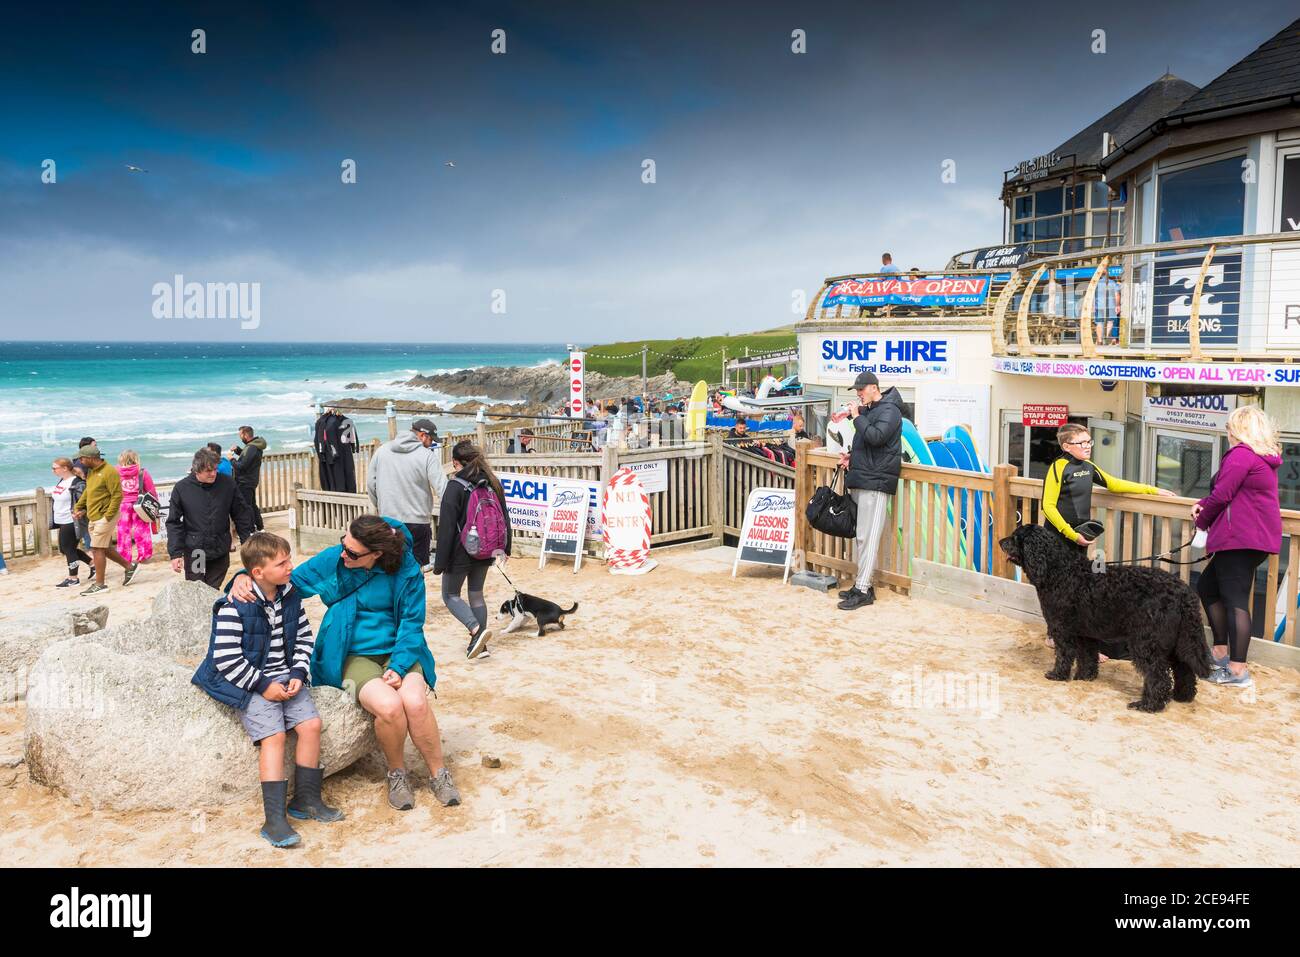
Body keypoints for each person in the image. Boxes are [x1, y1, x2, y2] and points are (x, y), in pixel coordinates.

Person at [228, 515, 460, 812]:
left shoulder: (407, 571)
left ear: (376, 554)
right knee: (389, 706)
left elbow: (412, 624)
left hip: (400, 650)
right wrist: (242, 577)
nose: (343, 554)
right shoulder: (336, 559)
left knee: (414, 702)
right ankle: (397, 773)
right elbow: (284, 581)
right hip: (351, 653)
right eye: (343, 544)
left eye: (352, 552)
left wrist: (400, 666)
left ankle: (439, 773)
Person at [192, 532, 340, 848]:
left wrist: (299, 671)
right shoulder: (234, 605)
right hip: (247, 682)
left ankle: (306, 800)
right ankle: (273, 820)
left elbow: (303, 637)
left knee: (311, 725)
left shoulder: (290, 596)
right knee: (273, 737)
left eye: (288, 560)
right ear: (257, 572)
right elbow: (226, 658)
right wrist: (263, 686)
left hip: (285, 676)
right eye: (282, 563)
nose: (290, 567)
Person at [1192, 406, 1283, 689]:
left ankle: (1237, 670)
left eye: (1229, 426)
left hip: (1240, 539)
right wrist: (1205, 505)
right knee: (1208, 587)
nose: (1227, 431)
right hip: (1249, 538)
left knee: (1235, 601)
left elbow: (1223, 494)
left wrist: (1202, 521)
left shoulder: (1241, 455)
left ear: (1238, 429)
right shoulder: (1260, 457)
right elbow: (1235, 495)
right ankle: (1220, 652)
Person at [434, 440, 512, 661]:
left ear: (455, 462)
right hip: (487, 548)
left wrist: (440, 562)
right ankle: (481, 646)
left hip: (460, 551)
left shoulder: (455, 486)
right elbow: (505, 519)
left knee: (450, 595)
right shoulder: (492, 483)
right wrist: (505, 548)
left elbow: (447, 527)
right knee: (476, 595)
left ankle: (476, 631)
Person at [1043, 423, 1173, 548]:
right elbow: (1048, 507)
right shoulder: (1058, 467)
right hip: (1059, 534)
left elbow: (1114, 484)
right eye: (1082, 443)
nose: (1088, 446)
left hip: (1082, 531)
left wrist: (1152, 490)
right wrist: (1071, 535)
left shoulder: (1088, 466)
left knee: (1079, 570)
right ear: (1066, 447)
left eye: (1089, 442)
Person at [837, 372, 903, 610]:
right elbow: (868, 444)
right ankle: (863, 585)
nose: (858, 394)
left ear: (874, 388)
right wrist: (851, 457)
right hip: (865, 477)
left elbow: (876, 437)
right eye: (857, 391)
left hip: (876, 482)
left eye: (860, 390)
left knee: (869, 537)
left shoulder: (890, 410)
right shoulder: (873, 410)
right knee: (863, 536)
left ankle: (863, 590)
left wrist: (856, 416)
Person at [167, 447, 255, 588]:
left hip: (220, 549)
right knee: (197, 588)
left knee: (213, 589)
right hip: (197, 553)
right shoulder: (182, 488)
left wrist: (247, 540)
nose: (213, 473)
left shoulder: (227, 484)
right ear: (196, 470)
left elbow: (240, 513)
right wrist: (175, 553)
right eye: (208, 471)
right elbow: (173, 522)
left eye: (215, 469)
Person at [367, 418, 447, 571]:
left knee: (389, 569)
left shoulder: (382, 451)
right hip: (418, 522)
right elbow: (443, 489)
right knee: (415, 572)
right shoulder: (427, 456)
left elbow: (371, 484)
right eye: (431, 440)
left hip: (388, 520)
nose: (431, 444)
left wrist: (380, 505)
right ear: (423, 435)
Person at [72, 441, 132, 596]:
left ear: (90, 458)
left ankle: (100, 584)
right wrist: (80, 507)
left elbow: (117, 495)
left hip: (106, 516)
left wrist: (108, 516)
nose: (80, 462)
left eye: (82, 459)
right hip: (94, 515)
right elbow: (89, 492)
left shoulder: (109, 472)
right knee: (103, 547)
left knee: (97, 548)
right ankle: (130, 567)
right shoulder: (91, 472)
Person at [50, 457, 91, 588]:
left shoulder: (77, 482)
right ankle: (92, 564)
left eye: (54, 468)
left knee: (68, 548)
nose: (53, 471)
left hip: (71, 520)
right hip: (61, 520)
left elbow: (84, 501)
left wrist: (81, 512)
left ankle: (73, 578)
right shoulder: (62, 481)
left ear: (65, 468)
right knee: (65, 548)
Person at [115, 449, 157, 574]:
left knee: (123, 532)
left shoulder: (116, 472)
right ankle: (144, 555)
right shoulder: (142, 472)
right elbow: (151, 491)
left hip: (122, 504)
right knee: (142, 530)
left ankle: (124, 557)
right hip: (139, 504)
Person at [230, 426, 267, 531]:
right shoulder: (255, 445)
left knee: (246, 506)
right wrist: (238, 450)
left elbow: (242, 466)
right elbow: (248, 457)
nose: (240, 437)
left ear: (245, 435)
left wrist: (231, 459)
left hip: (245, 481)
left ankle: (251, 530)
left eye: (241, 435)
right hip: (250, 480)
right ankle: (260, 527)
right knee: (251, 504)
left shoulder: (252, 447)